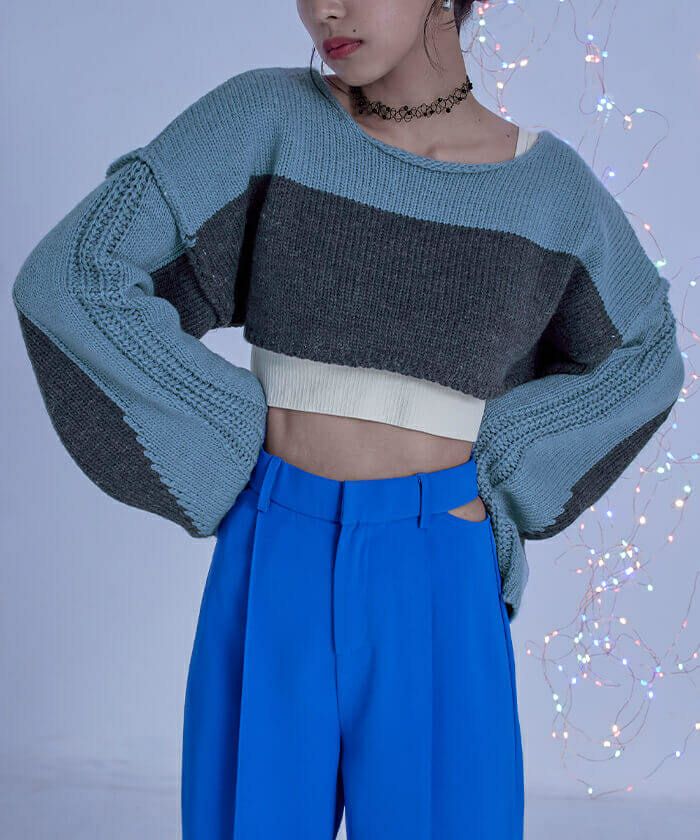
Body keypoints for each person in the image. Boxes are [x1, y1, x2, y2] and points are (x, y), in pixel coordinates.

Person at [11, 1, 685, 838]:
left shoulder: (552, 194)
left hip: (440, 571)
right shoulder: (265, 120)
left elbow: (645, 357)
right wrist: (225, 432)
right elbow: (73, 274)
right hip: (273, 553)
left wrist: (504, 470)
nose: (324, 7)